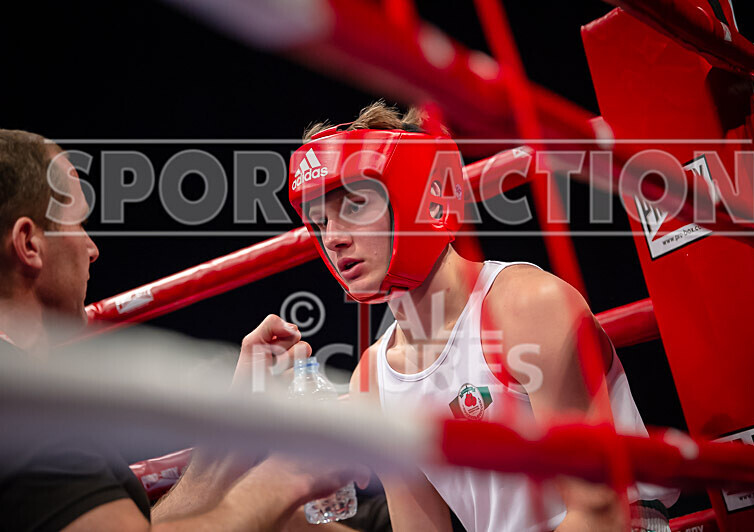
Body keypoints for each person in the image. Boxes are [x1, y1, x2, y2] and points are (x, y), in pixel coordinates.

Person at [287, 102, 681, 531]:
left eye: (356, 207)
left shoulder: (527, 307)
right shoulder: (372, 380)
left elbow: (601, 512)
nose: (334, 238)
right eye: (321, 223)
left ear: (419, 198)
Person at [0, 129, 364, 531]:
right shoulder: (18, 403)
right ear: (29, 244)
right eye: (78, 224)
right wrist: (288, 476)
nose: (92, 249)